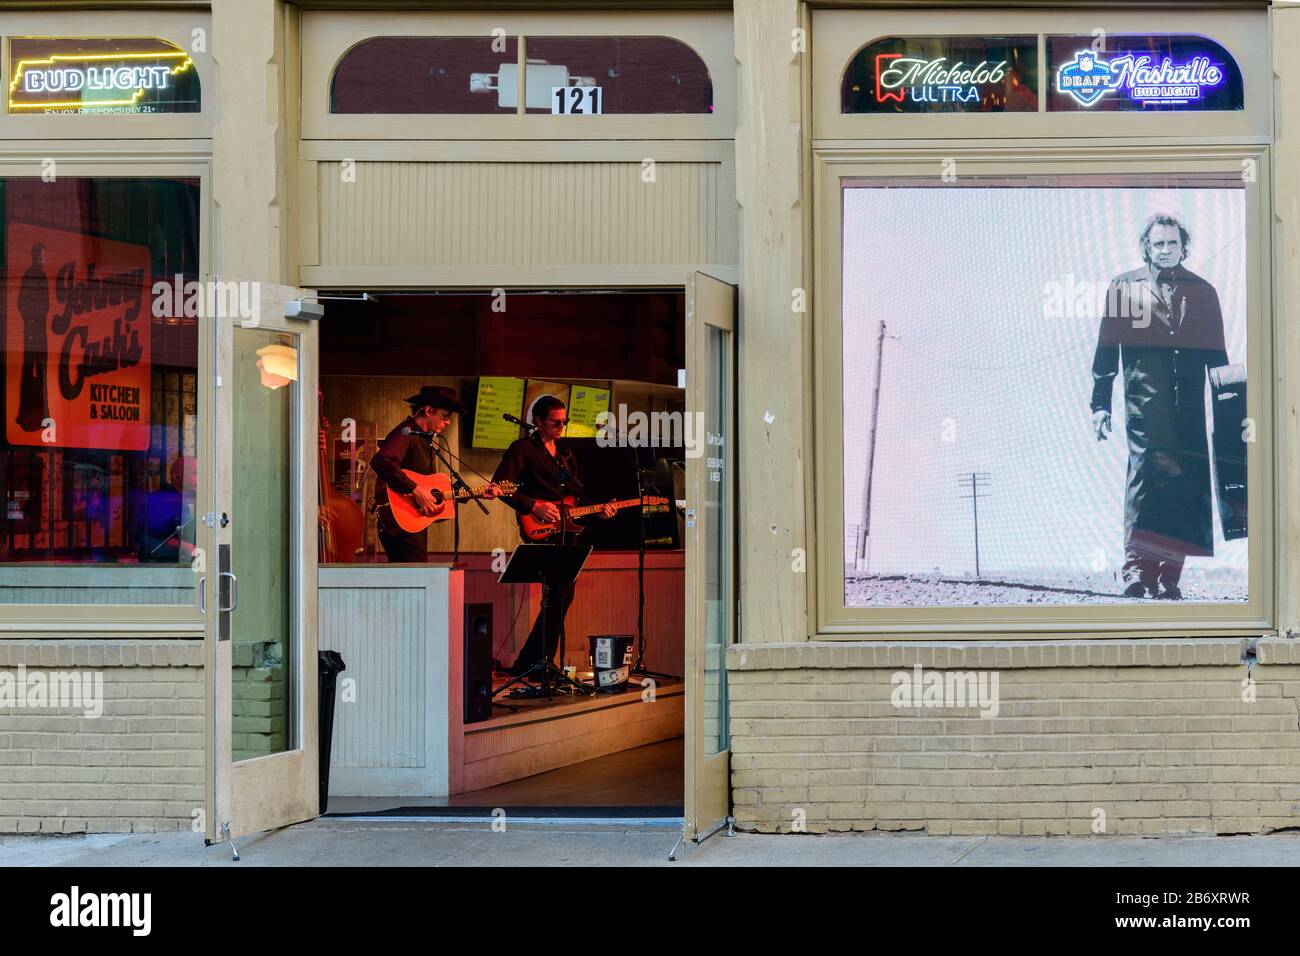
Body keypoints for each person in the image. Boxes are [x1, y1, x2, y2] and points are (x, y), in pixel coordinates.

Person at [1090, 213, 1231, 600]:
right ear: (1146, 248)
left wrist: (1230, 412)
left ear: (1183, 247)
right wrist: (1100, 404)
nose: (1166, 250)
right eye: (1159, 244)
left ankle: (1169, 577)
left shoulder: (1203, 292)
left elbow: (1218, 357)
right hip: (1144, 408)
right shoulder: (1123, 289)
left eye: (1172, 243)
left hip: (1188, 408)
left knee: (1182, 486)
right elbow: (1106, 349)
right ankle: (1136, 572)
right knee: (1145, 485)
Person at [493, 395, 615, 676]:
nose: (561, 426)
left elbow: (578, 493)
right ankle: (534, 662)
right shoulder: (522, 449)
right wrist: (532, 505)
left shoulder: (565, 453)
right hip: (541, 528)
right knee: (558, 594)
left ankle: (536, 661)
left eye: (565, 421)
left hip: (566, 531)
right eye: (555, 422)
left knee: (563, 595)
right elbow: (500, 486)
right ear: (537, 421)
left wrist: (598, 510)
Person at [371, 385, 484, 563]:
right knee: (412, 583)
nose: (448, 422)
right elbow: (381, 461)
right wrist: (416, 490)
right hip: (401, 524)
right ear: (429, 410)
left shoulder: (424, 440)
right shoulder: (406, 432)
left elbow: (434, 490)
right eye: (445, 416)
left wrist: (477, 493)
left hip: (412, 522)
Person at [17, 242, 50, 432]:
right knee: (31, 369)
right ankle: (31, 413)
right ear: (37, 256)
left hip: (38, 329)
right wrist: (30, 320)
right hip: (33, 330)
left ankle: (39, 414)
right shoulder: (32, 275)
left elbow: (43, 304)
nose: (44, 259)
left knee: (38, 369)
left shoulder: (41, 276)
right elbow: (23, 301)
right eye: (42, 255)